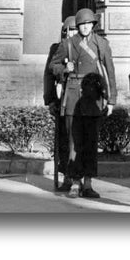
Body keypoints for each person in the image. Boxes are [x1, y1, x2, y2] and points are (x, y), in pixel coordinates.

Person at [49, 7, 117, 198]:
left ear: (93, 25)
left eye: (89, 24)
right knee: (73, 142)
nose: (86, 27)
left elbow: (109, 72)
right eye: (82, 24)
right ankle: (75, 183)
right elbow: (52, 66)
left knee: (90, 143)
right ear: (77, 25)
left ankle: (88, 183)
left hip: (92, 96)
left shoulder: (102, 44)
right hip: (72, 95)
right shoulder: (68, 44)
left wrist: (111, 100)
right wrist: (64, 68)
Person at [44, 15, 76, 191]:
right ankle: (67, 177)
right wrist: (50, 100)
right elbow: (48, 75)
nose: (75, 33)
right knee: (64, 140)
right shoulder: (58, 48)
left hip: (81, 101)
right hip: (63, 97)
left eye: (77, 29)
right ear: (65, 31)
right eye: (71, 30)